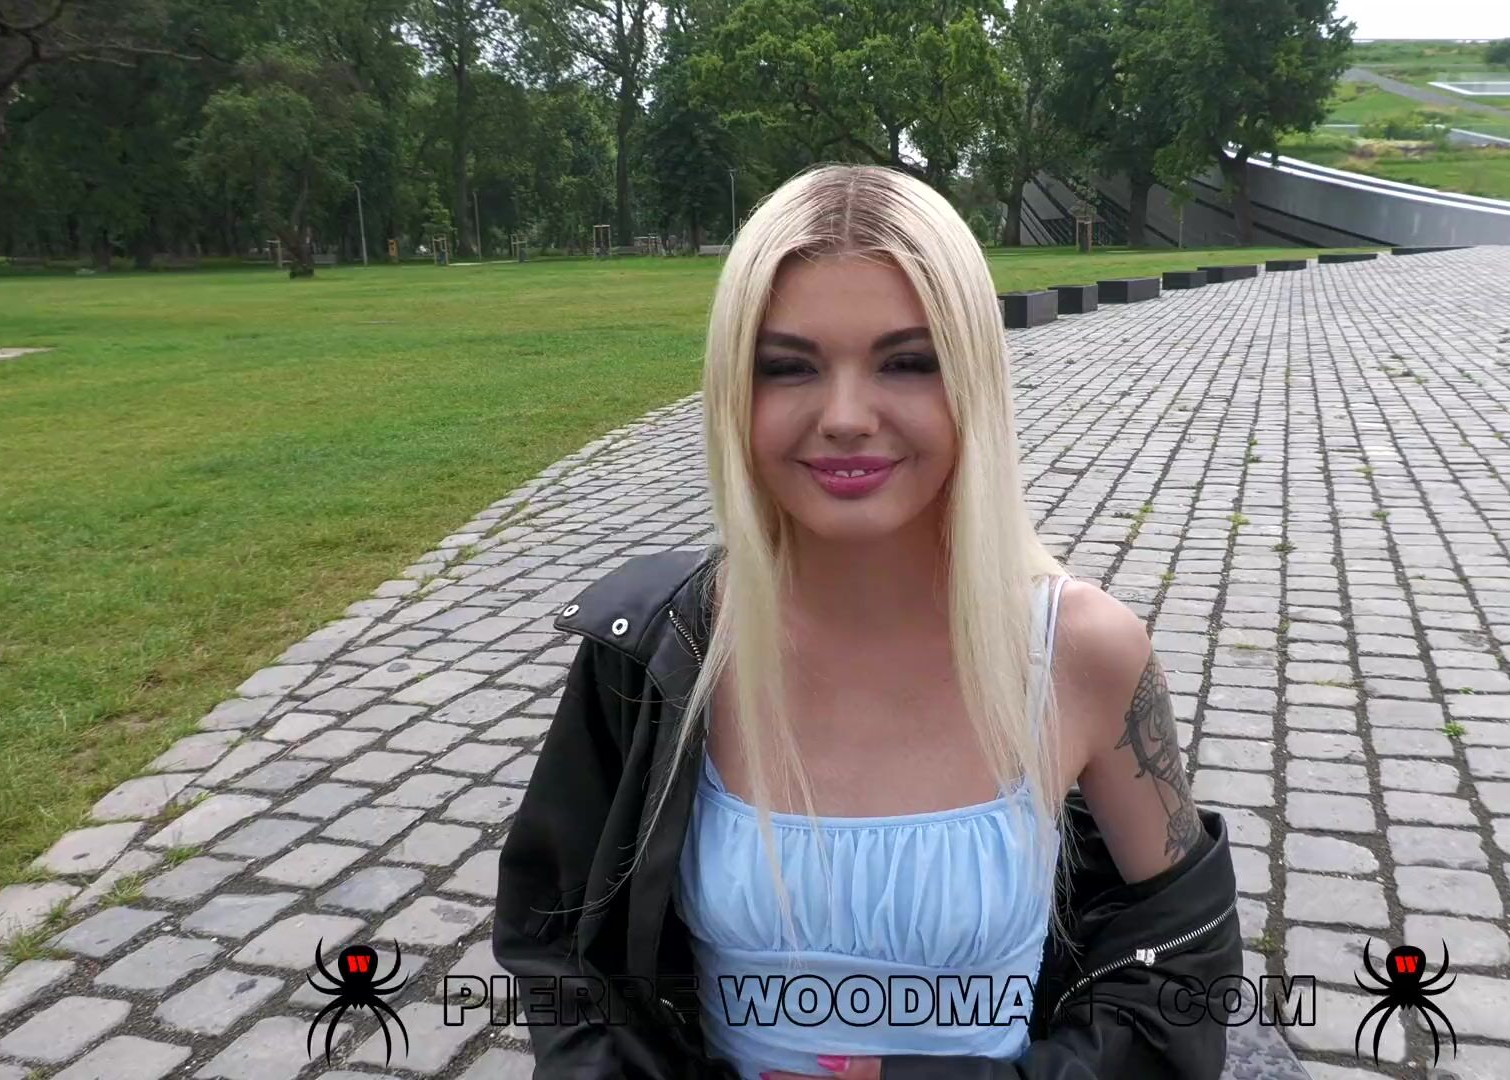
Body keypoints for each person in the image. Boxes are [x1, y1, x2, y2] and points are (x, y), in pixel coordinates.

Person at [493, 163, 1243, 1080]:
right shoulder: (656, 650)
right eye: (788, 367)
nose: (846, 417)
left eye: (907, 361)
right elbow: (561, 956)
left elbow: (1184, 970)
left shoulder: (1084, 653)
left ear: (974, 378)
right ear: (733, 391)